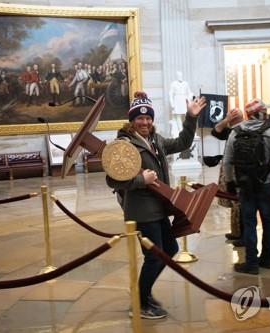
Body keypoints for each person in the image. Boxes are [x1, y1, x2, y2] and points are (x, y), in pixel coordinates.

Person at [106, 91, 206, 319]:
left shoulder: (156, 140)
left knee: (170, 250)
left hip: (159, 208)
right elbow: (112, 179)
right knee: (154, 256)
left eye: (148, 117)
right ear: (132, 120)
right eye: (140, 118)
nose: (145, 122)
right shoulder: (123, 144)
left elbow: (183, 142)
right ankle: (139, 303)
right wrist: (142, 180)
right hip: (141, 211)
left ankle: (144, 293)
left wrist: (190, 118)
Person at [223, 99, 270, 275]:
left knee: (249, 223)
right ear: (260, 113)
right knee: (269, 221)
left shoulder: (235, 132)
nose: (267, 113)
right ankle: (267, 259)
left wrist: (230, 182)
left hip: (245, 185)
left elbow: (228, 161)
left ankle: (251, 263)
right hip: (267, 184)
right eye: (264, 111)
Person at [209, 108, 244, 243]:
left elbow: (216, 129)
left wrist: (227, 120)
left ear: (233, 119)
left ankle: (242, 235)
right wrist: (227, 120)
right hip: (233, 172)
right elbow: (215, 130)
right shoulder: (231, 130)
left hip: (238, 173)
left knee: (239, 204)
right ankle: (236, 232)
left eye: (229, 117)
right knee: (235, 204)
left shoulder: (240, 130)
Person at [169, 71, 193, 137]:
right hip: (177, 100)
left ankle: (186, 129)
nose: (180, 77)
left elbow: (189, 92)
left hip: (184, 99)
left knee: (186, 115)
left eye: (181, 75)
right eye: (178, 76)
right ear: (177, 76)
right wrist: (172, 103)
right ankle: (180, 130)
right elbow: (170, 94)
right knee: (178, 116)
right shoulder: (173, 84)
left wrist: (190, 97)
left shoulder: (186, 83)